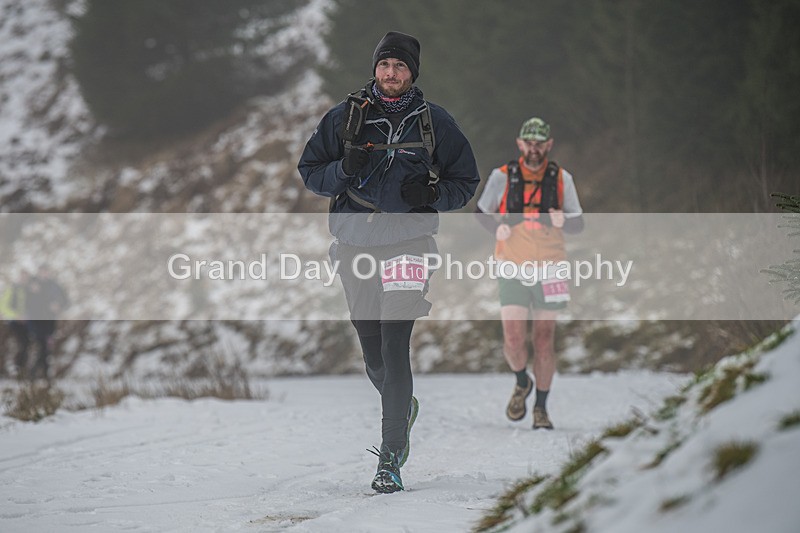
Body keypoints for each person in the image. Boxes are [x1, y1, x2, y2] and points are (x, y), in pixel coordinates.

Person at [298, 31, 480, 493]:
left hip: (409, 243)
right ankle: (403, 406)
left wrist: (434, 194)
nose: (391, 73)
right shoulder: (345, 118)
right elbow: (311, 174)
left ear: (412, 73)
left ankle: (390, 459)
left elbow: (466, 180)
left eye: (400, 66)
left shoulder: (434, 122)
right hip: (355, 244)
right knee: (373, 354)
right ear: (375, 69)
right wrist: (346, 168)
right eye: (385, 65)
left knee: (396, 345)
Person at [475, 117, 584, 430]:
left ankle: (541, 408)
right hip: (511, 264)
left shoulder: (563, 178)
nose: (534, 148)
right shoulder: (501, 176)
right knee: (512, 337)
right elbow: (480, 214)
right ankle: (522, 381)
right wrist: (498, 227)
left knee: (544, 338)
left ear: (548, 145)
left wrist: (564, 220)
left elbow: (579, 224)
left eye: (540, 143)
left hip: (551, 266)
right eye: (529, 142)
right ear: (520, 144)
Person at [25, 265, 68, 381]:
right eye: (42, 272)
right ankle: (39, 373)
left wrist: (58, 305)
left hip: (49, 321)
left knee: (46, 346)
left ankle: (38, 373)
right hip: (36, 320)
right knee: (41, 345)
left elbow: (65, 300)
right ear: (38, 273)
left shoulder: (54, 286)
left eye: (46, 272)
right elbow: (26, 302)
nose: (44, 274)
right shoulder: (32, 285)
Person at [0, 270, 31, 378]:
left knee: (26, 344)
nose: (24, 279)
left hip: (27, 322)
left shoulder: (30, 289)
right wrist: (16, 315)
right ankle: (14, 369)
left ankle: (20, 370)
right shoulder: (12, 288)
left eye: (26, 277)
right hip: (13, 322)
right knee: (18, 344)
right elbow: (3, 305)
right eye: (22, 277)